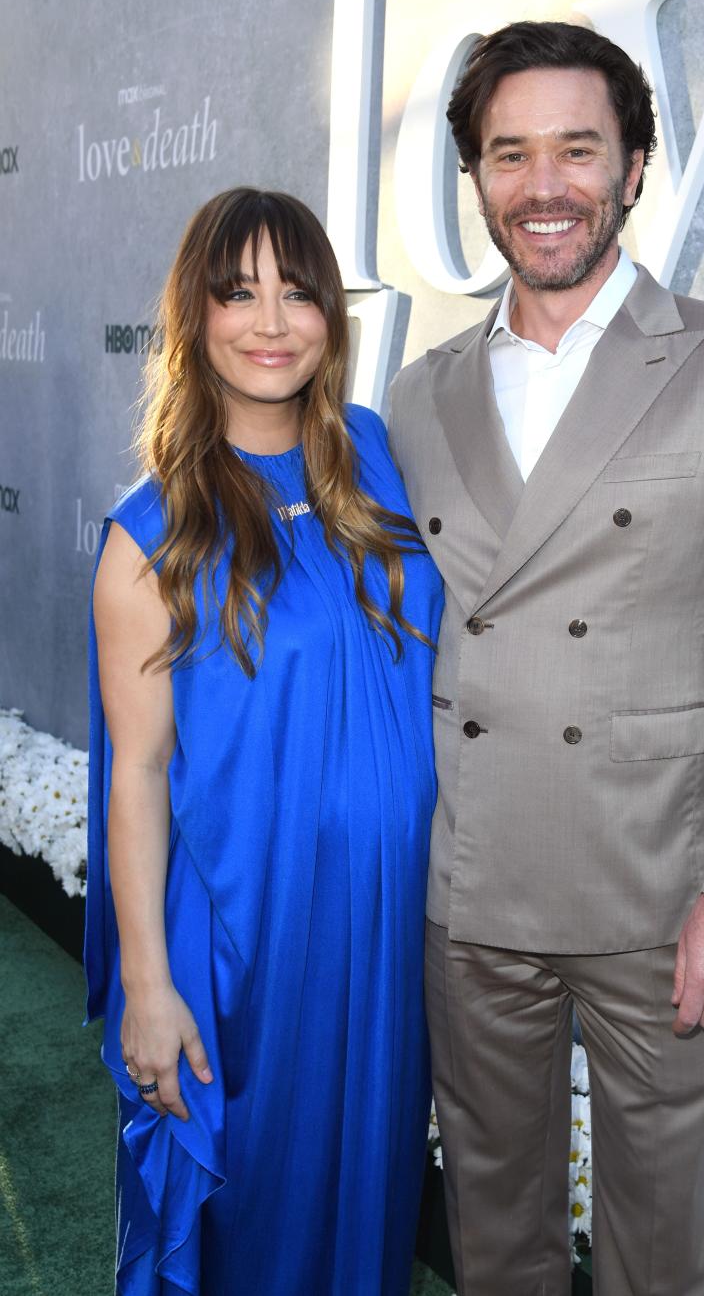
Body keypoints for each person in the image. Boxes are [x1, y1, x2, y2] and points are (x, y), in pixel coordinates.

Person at [388, 21, 704, 1296]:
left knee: (653, 1243)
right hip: (472, 892)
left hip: (658, 895)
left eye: (577, 149)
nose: (544, 187)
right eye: (510, 153)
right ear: (476, 176)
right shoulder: (422, 393)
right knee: (494, 1220)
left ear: (634, 167)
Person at [84, 187, 443, 1294]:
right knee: (255, 1210)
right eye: (239, 292)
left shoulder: (376, 459)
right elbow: (137, 775)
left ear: (335, 315)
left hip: (379, 936)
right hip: (245, 938)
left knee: (365, 1190)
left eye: (299, 291)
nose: (272, 320)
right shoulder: (153, 536)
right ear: (194, 317)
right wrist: (148, 980)